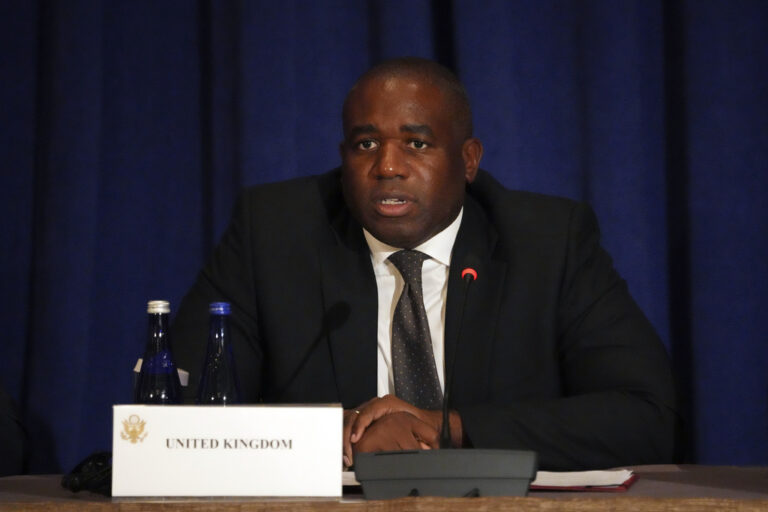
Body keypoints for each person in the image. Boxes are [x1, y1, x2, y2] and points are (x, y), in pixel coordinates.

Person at [172, 57, 676, 471]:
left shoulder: (548, 241)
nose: (387, 166)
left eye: (416, 143)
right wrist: (339, 431)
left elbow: (646, 416)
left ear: (469, 160)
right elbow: (182, 410)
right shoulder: (275, 234)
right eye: (365, 144)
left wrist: (444, 427)